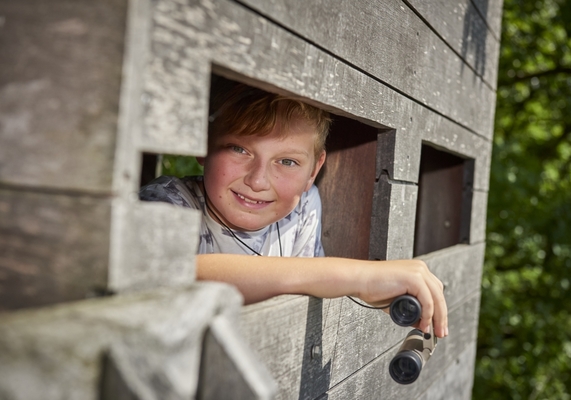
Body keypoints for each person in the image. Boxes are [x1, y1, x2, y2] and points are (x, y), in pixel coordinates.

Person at [140, 82, 448, 338]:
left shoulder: (302, 210)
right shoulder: (167, 202)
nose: (258, 180)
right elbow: (177, 272)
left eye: (287, 161)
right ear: (203, 146)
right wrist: (358, 277)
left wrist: (372, 292)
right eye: (239, 149)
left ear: (313, 171)